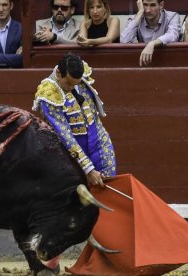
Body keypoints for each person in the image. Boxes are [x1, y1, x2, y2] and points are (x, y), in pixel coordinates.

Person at [32, 53, 116, 273]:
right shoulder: (49, 92)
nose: (71, 88)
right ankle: (52, 258)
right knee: (69, 206)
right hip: (68, 157)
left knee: (105, 201)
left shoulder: (81, 76)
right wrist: (87, 168)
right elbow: (65, 136)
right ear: (58, 73)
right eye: (68, 83)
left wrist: (103, 155)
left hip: (97, 142)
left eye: (75, 84)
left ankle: (103, 259)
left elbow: (95, 119)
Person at [120, 0, 180, 67]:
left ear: (161, 5)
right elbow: (124, 41)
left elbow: (173, 35)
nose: (148, 10)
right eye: (145, 5)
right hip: (145, 64)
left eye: (152, 5)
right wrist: (140, 12)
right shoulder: (136, 18)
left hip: (168, 62)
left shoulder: (172, 16)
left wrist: (152, 43)